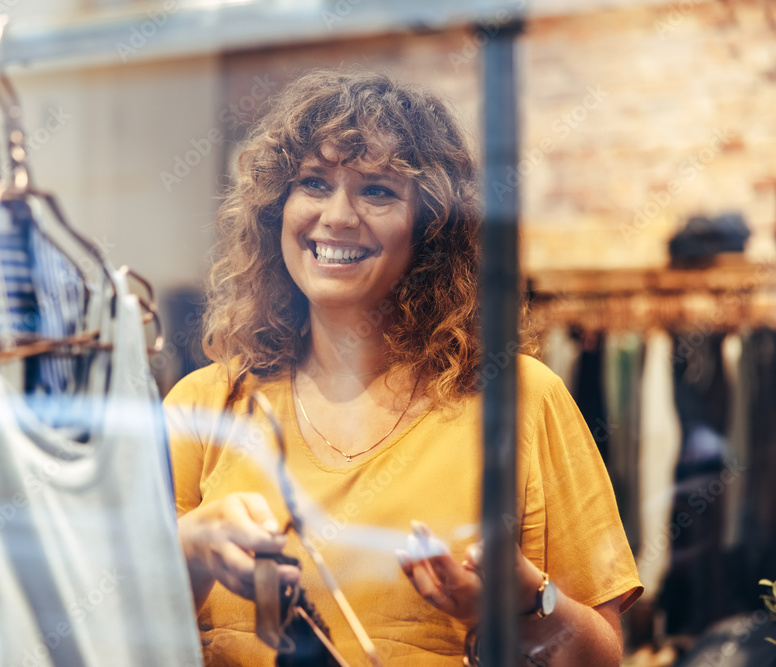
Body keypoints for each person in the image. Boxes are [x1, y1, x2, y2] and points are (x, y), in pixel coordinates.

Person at [164, 69, 642, 666]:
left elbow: (601, 660)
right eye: (313, 183)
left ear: (431, 228)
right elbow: (110, 635)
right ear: (275, 210)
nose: (337, 216)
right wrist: (188, 551)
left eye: (377, 191)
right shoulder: (205, 404)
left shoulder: (517, 398)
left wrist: (522, 603)